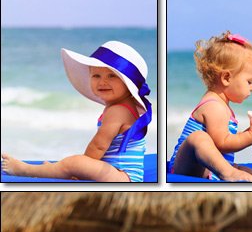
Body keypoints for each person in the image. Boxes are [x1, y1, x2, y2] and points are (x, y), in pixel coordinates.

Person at [2, 41, 151, 182]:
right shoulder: (120, 106)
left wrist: (83, 166)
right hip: (116, 171)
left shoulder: (118, 110)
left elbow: (99, 145)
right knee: (74, 163)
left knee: (75, 163)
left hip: (123, 176)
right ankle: (53, 169)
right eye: (96, 75)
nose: (102, 82)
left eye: (112, 76)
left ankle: (26, 170)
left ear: (128, 84)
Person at [168, 31, 252, 182]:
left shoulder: (222, 104)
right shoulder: (214, 106)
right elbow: (222, 143)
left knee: (249, 171)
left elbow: (225, 140)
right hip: (185, 167)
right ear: (226, 78)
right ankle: (228, 173)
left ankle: (226, 171)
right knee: (198, 137)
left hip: (201, 167)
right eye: (249, 81)